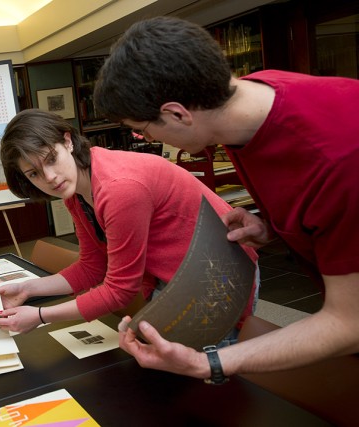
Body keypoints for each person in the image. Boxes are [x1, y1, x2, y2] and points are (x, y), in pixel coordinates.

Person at [93, 16, 359, 381]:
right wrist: (274, 227)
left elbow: (349, 322)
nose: (147, 140)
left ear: (176, 113)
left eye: (143, 130)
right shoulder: (248, 104)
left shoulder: (339, 160)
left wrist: (209, 363)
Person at [0, 109, 258, 345]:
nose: (49, 178)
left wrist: (39, 316)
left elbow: (119, 290)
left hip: (217, 273)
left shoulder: (118, 188)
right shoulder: (77, 190)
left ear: (67, 141)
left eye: (50, 158)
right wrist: (27, 289)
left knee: (208, 377)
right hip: (176, 274)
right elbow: (93, 266)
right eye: (34, 173)